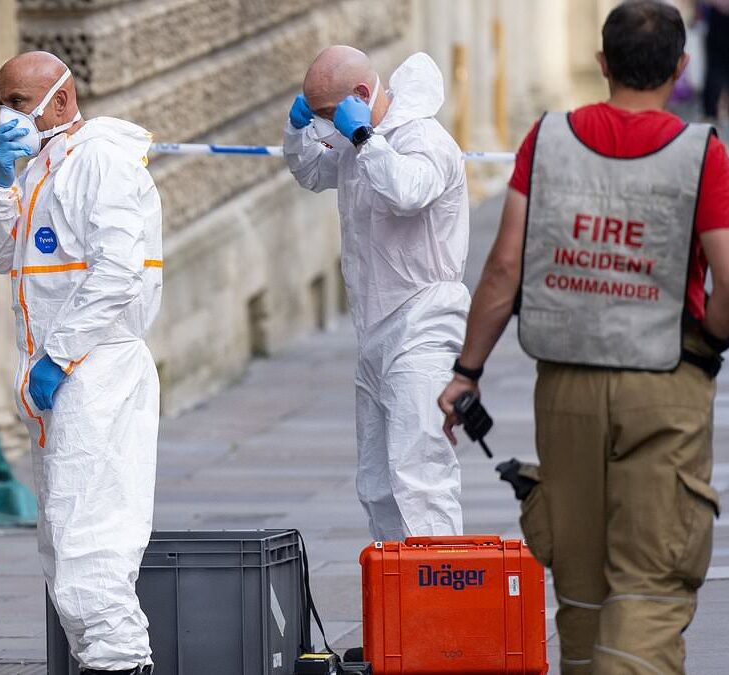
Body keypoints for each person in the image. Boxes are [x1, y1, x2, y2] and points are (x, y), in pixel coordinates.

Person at [438, 2, 729, 672]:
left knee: (581, 585)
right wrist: (710, 337)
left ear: (602, 64)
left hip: (565, 385)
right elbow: (725, 273)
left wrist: (467, 372)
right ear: (681, 69)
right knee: (650, 583)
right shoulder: (700, 153)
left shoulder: (549, 139)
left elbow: (504, 266)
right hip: (664, 382)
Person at [0, 51, 162, 675]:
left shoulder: (100, 162)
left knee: (91, 536)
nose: (7, 115)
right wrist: (0, 183)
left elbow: (117, 274)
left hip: (95, 368)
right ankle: (101, 660)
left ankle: (121, 662)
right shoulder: (39, 169)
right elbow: (0, 256)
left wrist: (58, 357)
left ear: (61, 100)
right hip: (62, 374)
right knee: (62, 536)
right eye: (1, 102)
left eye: (18, 103)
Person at [284, 47, 470, 541]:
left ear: (361, 97)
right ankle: (400, 603)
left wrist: (364, 136)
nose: (325, 126)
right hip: (375, 329)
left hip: (424, 326)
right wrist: (298, 129)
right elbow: (310, 172)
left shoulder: (423, 139)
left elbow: (408, 192)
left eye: (326, 114)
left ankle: (438, 602)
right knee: (379, 484)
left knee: (421, 478)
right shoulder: (357, 145)